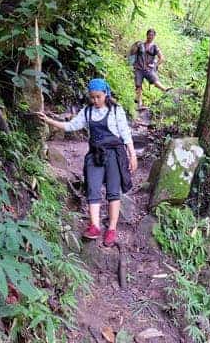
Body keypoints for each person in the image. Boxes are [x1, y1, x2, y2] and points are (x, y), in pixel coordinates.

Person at [36, 78, 138, 247]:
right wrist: (49, 120)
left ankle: (111, 229)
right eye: (92, 97)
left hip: (114, 154)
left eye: (98, 97)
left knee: (113, 191)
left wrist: (132, 155)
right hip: (95, 154)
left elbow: (125, 134)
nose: (95, 100)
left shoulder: (115, 110)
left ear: (106, 94)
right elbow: (70, 126)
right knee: (92, 187)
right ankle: (95, 226)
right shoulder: (87, 111)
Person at [129, 28, 172, 109]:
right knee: (138, 86)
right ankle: (139, 104)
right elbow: (132, 53)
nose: (150, 37)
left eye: (152, 35)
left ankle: (165, 90)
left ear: (154, 36)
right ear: (146, 35)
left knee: (155, 81)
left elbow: (161, 58)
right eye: (149, 35)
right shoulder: (140, 45)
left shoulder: (155, 47)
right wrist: (135, 46)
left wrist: (155, 64)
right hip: (139, 68)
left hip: (149, 69)